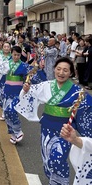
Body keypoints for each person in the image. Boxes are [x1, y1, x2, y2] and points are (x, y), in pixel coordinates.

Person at [15, 57, 92, 185]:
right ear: (54, 70)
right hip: (46, 128)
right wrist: (26, 90)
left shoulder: (78, 93)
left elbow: (87, 109)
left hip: (64, 132)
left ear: (71, 73)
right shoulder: (47, 85)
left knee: (57, 159)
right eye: (59, 69)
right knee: (47, 161)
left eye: (65, 70)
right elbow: (29, 94)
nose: (61, 73)